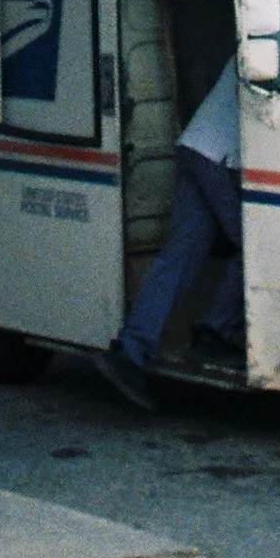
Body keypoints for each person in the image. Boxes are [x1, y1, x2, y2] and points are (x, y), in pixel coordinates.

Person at [102, 53, 243, 405]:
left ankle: (131, 350)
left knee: (179, 255)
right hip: (220, 157)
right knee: (259, 250)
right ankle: (214, 330)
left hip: (197, 147)